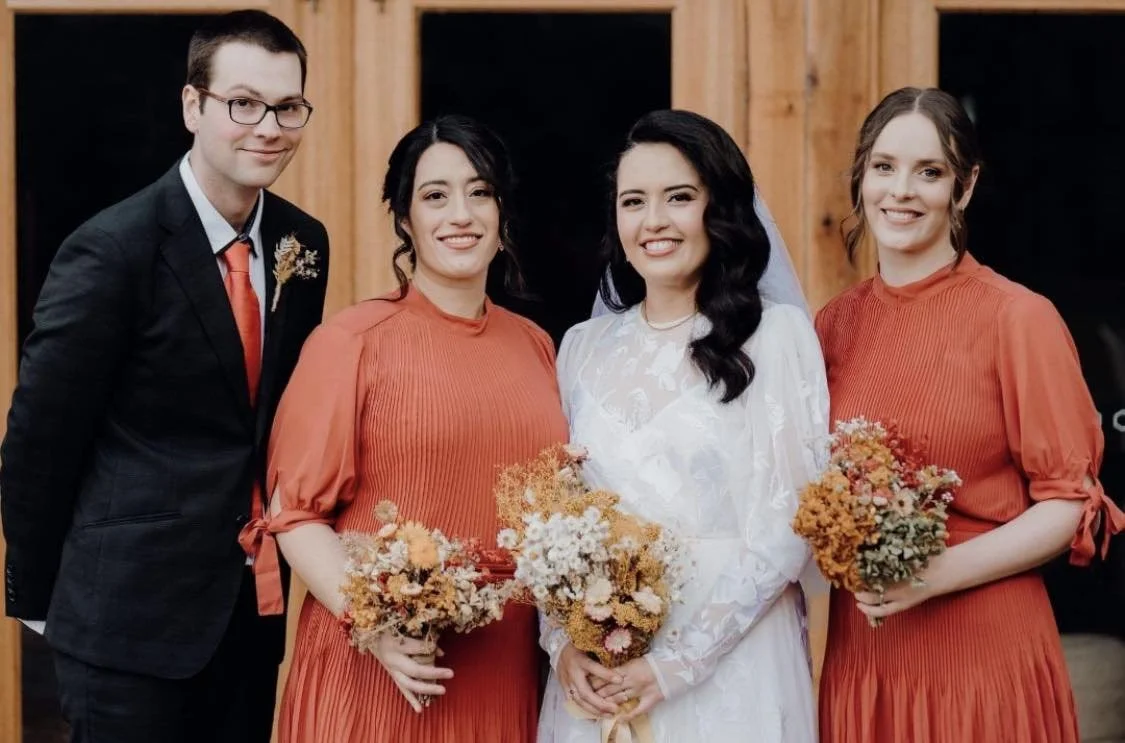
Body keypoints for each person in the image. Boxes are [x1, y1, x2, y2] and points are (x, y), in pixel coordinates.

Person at [0, 10, 328, 743]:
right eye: (243, 103)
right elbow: (39, 437)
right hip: (123, 624)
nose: (267, 127)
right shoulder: (112, 249)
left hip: (246, 618)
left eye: (288, 107)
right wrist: (40, 596)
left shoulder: (302, 243)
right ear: (193, 106)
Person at [815, 86, 1125, 743]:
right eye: (883, 166)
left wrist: (935, 575)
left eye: (928, 172)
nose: (900, 190)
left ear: (963, 187)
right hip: (867, 653)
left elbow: (1068, 501)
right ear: (861, 176)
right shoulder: (832, 326)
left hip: (982, 652)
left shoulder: (1017, 318)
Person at [261, 114, 567, 742]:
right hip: (380, 670)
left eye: (479, 192)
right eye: (435, 196)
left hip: (504, 669)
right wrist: (375, 626)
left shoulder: (536, 346)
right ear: (404, 220)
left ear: (502, 212)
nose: (461, 213)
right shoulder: (350, 341)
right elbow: (294, 514)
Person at [540, 109, 825, 742]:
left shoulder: (774, 336)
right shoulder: (582, 347)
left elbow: (790, 519)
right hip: (603, 666)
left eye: (679, 198)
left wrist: (674, 665)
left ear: (718, 208)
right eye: (633, 201)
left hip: (732, 661)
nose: (654, 222)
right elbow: (558, 515)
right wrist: (563, 641)